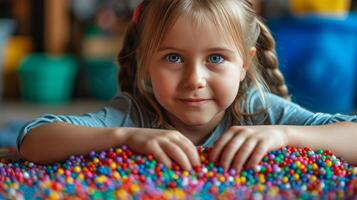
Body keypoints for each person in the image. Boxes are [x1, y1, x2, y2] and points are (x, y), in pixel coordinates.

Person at [18, 0, 357, 173]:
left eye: (216, 58)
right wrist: (124, 137)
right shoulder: (134, 113)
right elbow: (33, 140)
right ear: (146, 62)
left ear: (244, 64)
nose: (195, 79)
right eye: (174, 59)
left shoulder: (260, 110)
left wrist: (286, 135)